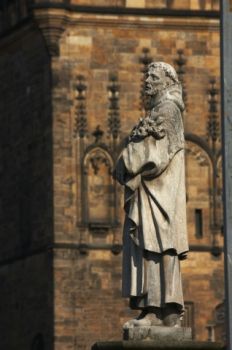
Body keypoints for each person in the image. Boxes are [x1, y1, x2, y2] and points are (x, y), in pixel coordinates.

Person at [114, 62, 189, 328]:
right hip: (153, 194)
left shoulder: (168, 111)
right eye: (146, 75)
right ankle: (155, 310)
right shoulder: (160, 110)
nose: (146, 80)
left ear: (167, 82)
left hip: (160, 196)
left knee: (156, 248)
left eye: (153, 76)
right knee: (151, 248)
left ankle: (156, 312)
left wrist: (127, 156)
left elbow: (154, 157)